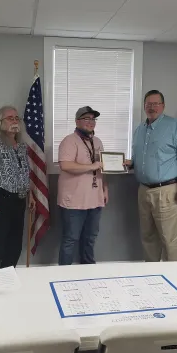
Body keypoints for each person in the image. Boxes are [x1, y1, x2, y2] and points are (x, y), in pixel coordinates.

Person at [125, 90, 177, 262]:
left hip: (168, 192)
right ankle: (154, 280)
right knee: (148, 239)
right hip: (144, 191)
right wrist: (130, 163)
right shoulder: (139, 130)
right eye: (148, 104)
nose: (152, 107)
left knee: (172, 241)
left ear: (163, 106)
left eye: (156, 103)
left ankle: (176, 279)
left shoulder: (176, 126)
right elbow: (140, 158)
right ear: (144, 106)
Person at [0, 105, 35, 269]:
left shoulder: (22, 146)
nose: (15, 121)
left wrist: (30, 197)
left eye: (17, 118)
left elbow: (24, 173)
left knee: (14, 247)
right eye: (10, 118)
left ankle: (8, 281)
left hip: (19, 202)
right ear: (0, 122)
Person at [57, 106, 108, 265]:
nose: (90, 122)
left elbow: (102, 167)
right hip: (74, 200)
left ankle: (87, 271)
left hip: (95, 198)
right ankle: (63, 274)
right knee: (70, 239)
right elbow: (66, 165)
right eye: (86, 119)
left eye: (93, 119)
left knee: (90, 238)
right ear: (77, 121)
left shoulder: (98, 141)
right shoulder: (69, 141)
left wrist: (105, 188)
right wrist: (91, 166)